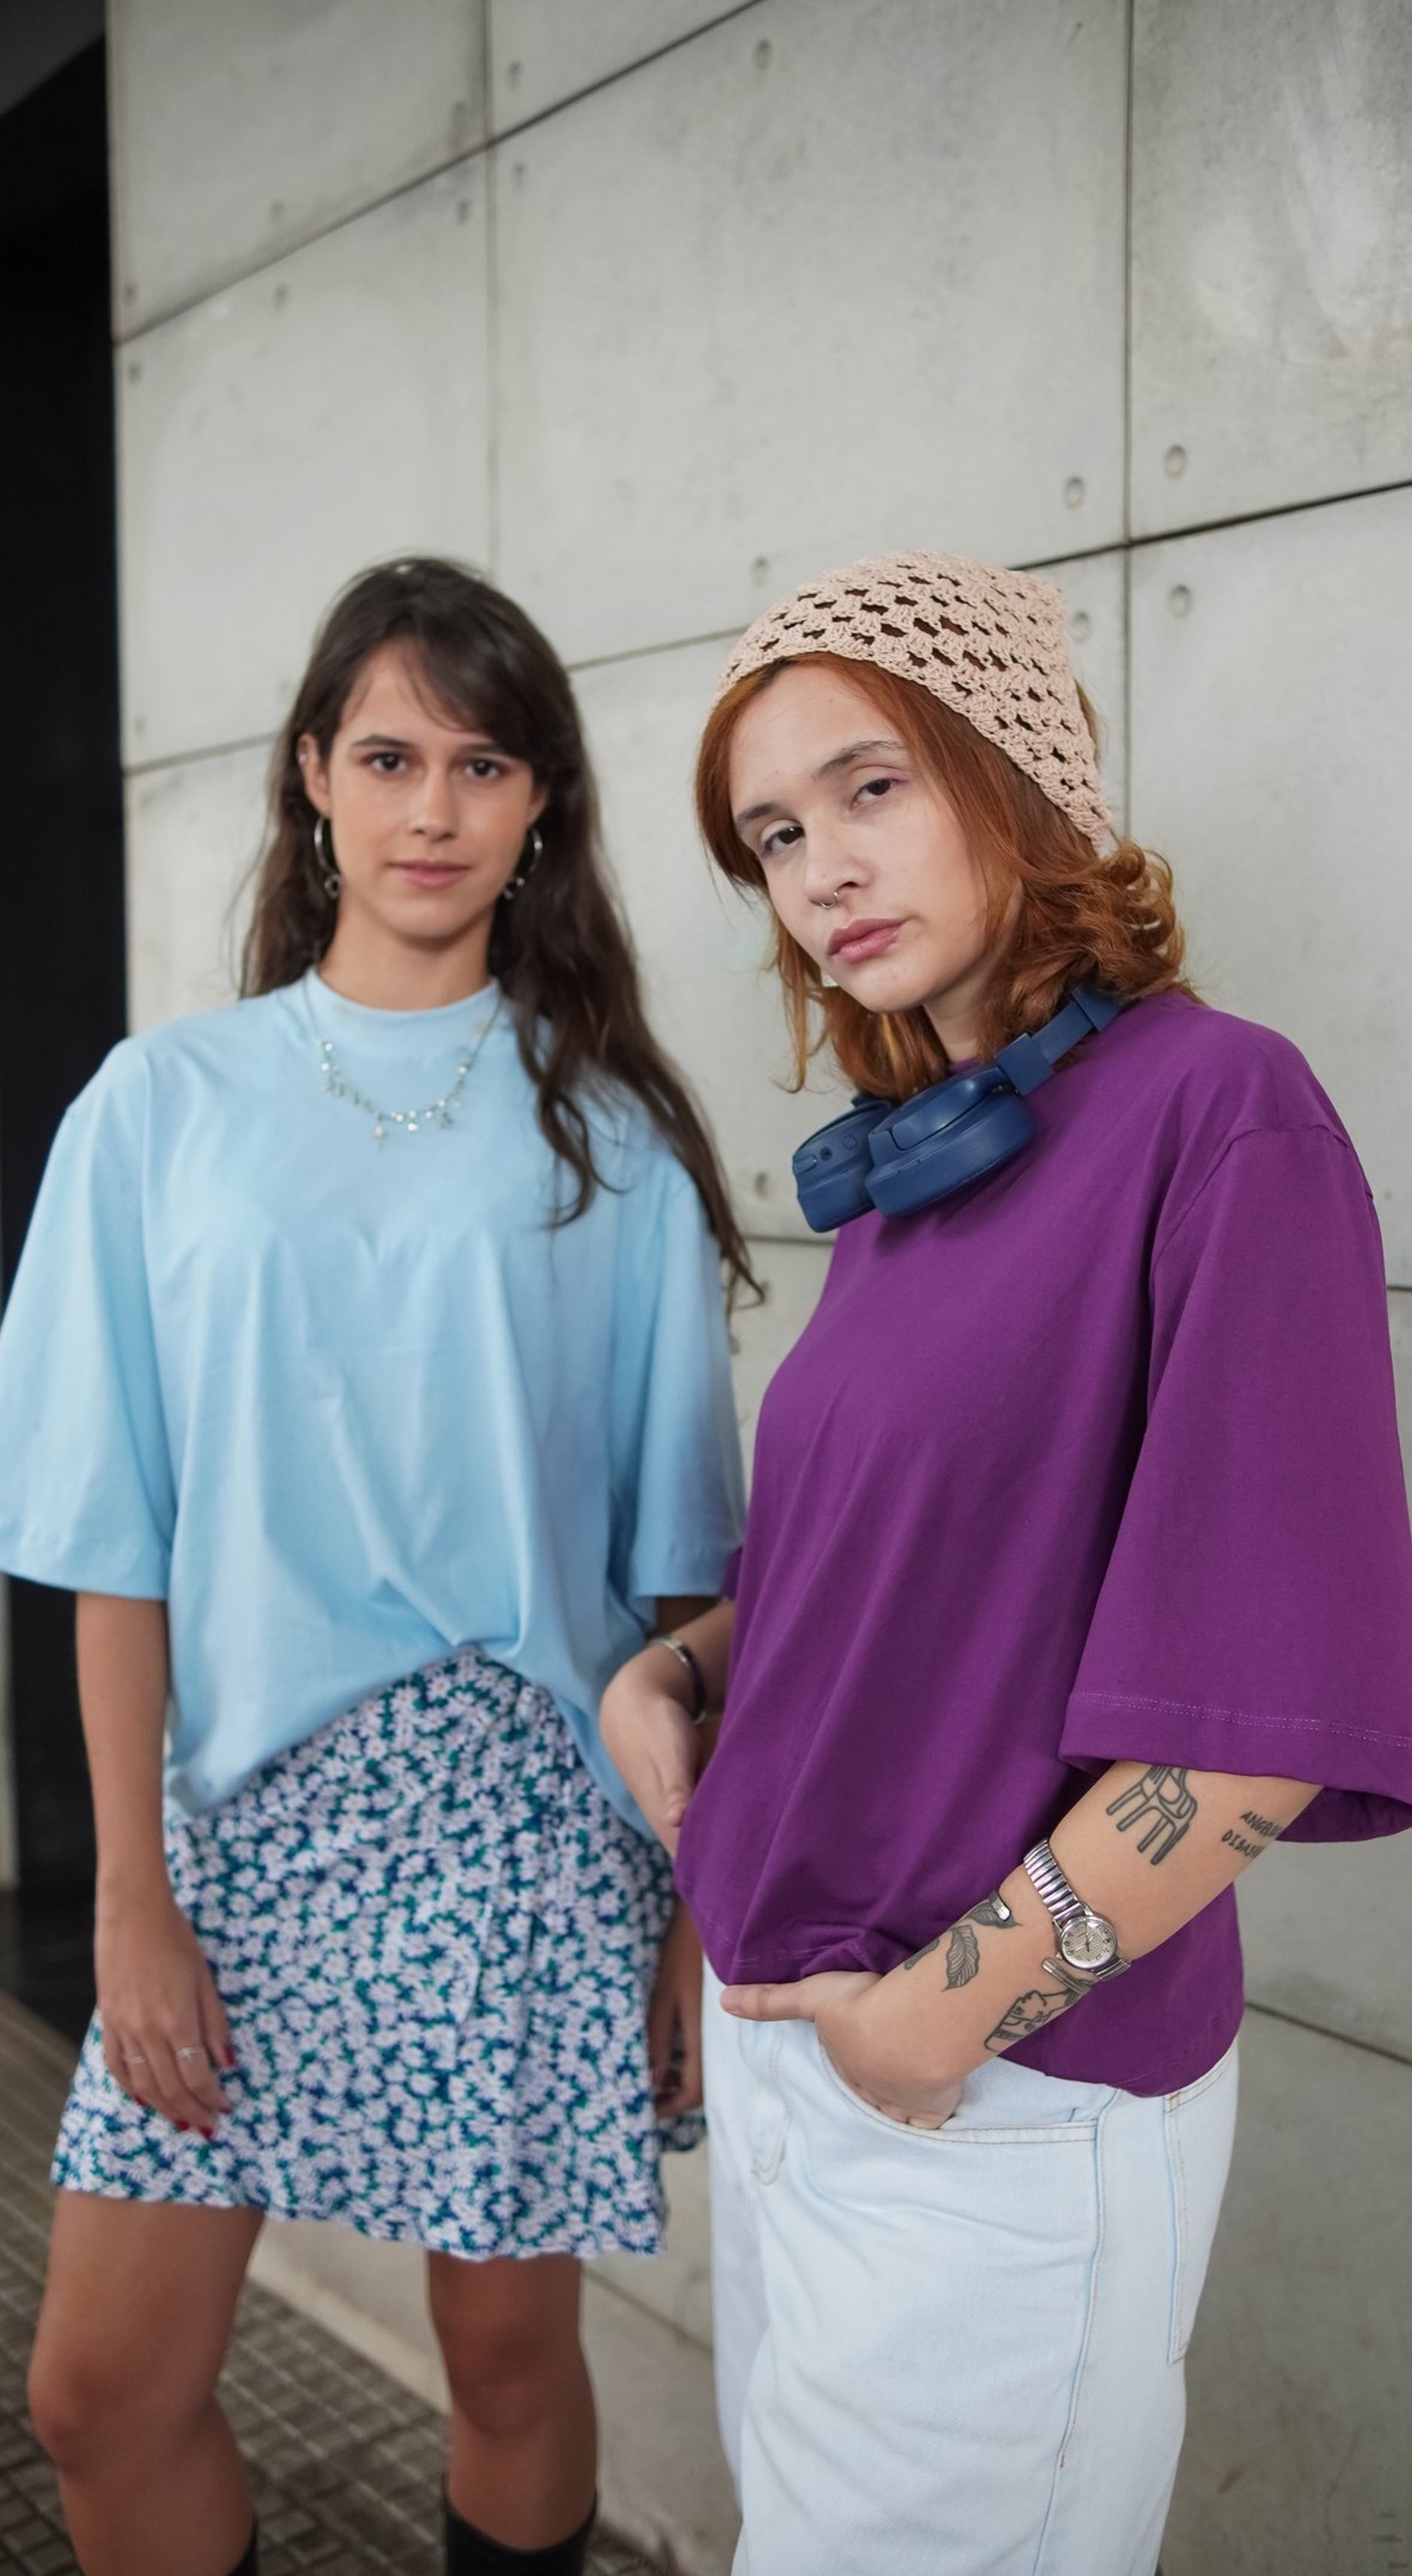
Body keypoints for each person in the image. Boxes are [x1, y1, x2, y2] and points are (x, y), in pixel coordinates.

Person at [601, 549, 1412, 2576]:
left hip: (994, 2101)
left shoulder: (1220, 1116)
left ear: (1014, 769)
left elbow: (1257, 1733)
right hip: (813, 2069)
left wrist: (941, 2021)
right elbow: (929, 1557)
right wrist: (691, 1671)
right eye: (777, 835)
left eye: (871, 787)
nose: (822, 870)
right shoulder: (924, 1161)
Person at [0, 557, 747, 2576]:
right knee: (99, 2392)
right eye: (388, 754)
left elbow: (689, 1584)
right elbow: (108, 1538)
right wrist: (133, 1890)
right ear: (313, 776)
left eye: (484, 763)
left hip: (529, 1817)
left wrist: (685, 1916)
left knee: (499, 2360)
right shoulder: (163, 1108)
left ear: (542, 805)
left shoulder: (617, 1143)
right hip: (232, 1818)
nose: (431, 808)